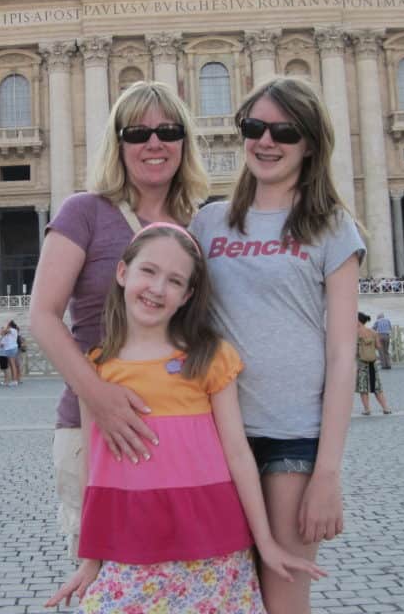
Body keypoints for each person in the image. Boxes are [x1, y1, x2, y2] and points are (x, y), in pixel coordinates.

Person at [46, 224, 325, 611]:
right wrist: (90, 559)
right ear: (123, 273)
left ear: (187, 296)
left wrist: (265, 543)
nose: (158, 288)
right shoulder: (97, 372)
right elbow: (95, 472)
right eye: (149, 271)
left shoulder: (210, 357)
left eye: (174, 281)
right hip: (131, 546)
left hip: (215, 548)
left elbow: (238, 454)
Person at [190, 76, 364, 613]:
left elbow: (341, 356)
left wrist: (328, 474)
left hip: (292, 440)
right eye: (255, 127)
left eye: (284, 131)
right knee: (215, 594)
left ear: (309, 142)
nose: (266, 141)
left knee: (285, 600)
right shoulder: (207, 221)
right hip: (214, 439)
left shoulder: (333, 227)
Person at [29, 80, 208, 559]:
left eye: (168, 131)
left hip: (184, 424)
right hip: (94, 424)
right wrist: (100, 397)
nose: (154, 143)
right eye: (138, 133)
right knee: (103, 572)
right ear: (119, 143)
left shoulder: (201, 225)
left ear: (184, 143)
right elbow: (43, 316)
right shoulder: (83, 212)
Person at [356, 313, 391, 415]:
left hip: (361, 363)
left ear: (358, 321)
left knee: (363, 388)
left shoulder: (355, 333)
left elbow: (354, 350)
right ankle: (385, 408)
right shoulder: (373, 332)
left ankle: (367, 409)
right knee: (376, 387)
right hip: (372, 362)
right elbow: (378, 346)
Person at [0, 321, 20, 386]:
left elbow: (2, 331)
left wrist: (6, 328)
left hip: (11, 348)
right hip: (10, 349)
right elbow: (2, 334)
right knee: (11, 365)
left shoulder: (12, 330)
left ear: (10, 325)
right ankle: (13, 380)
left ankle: (14, 380)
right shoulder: (11, 332)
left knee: (12, 365)